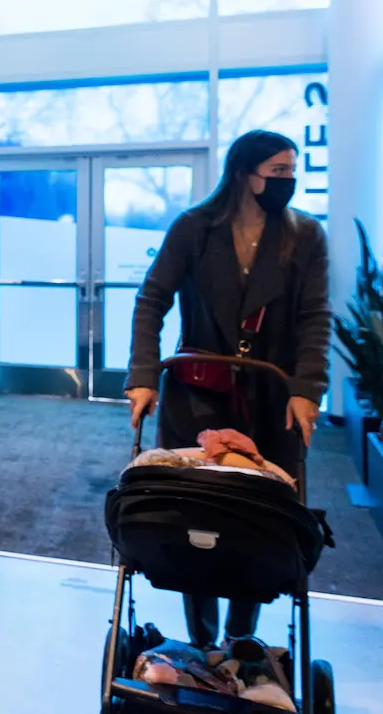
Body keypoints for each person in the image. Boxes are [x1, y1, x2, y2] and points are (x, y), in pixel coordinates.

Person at [124, 129, 331, 648]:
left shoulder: (305, 237)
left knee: (258, 513)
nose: (288, 181)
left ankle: (243, 638)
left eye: (292, 171)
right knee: (196, 512)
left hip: (272, 398)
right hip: (198, 396)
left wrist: (307, 388)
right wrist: (145, 376)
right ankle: (201, 640)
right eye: (277, 172)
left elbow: (314, 318)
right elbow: (152, 300)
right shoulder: (194, 228)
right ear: (244, 173)